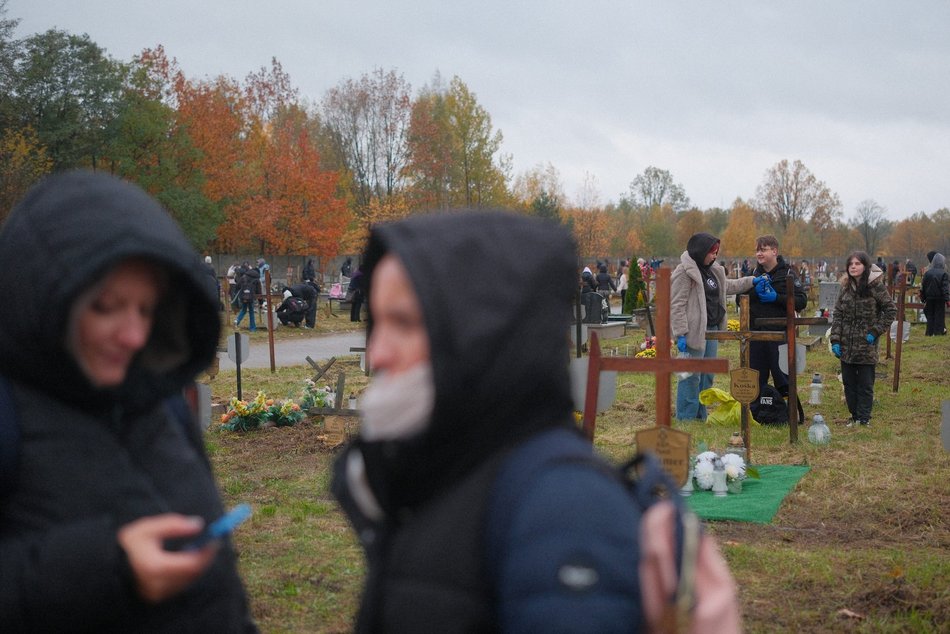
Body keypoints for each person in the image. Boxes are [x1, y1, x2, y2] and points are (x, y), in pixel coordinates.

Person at [331, 211, 645, 631]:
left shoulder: (565, 509)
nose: (377, 354)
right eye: (378, 322)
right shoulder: (446, 458)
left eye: (403, 323)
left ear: (481, 333)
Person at [0, 171, 256, 631]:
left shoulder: (161, 398)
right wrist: (109, 568)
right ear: (44, 297)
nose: (135, 335)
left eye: (145, 308)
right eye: (106, 307)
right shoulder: (10, 412)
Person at [671, 233, 758, 421]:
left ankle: (700, 414)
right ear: (700, 251)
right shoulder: (684, 272)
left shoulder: (713, 271)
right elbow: (676, 305)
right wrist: (680, 334)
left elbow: (728, 286)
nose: (714, 256)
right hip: (694, 332)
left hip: (712, 328)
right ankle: (686, 417)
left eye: (716, 253)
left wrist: (752, 281)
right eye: (712, 253)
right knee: (690, 376)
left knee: (707, 376)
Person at [829, 252, 897, 426]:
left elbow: (890, 310)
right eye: (850, 263)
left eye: (857, 263)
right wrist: (835, 340)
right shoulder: (845, 287)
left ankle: (864, 418)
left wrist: (875, 331)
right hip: (846, 345)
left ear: (865, 266)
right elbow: (838, 314)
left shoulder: (875, 287)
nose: (853, 266)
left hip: (866, 345)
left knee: (865, 384)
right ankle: (854, 416)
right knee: (849, 384)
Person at [742, 235, 808, 398]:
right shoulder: (753, 274)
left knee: (784, 378)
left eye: (763, 250)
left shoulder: (788, 274)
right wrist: (754, 292)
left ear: (774, 251)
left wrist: (777, 298)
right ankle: (756, 412)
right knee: (756, 379)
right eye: (757, 250)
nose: (759, 254)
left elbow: (801, 301)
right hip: (756, 334)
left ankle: (787, 412)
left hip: (780, 335)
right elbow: (739, 300)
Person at [921, 252, 949, 336]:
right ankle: (938, 333)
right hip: (940, 298)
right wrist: (947, 300)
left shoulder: (927, 273)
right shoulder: (944, 273)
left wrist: (923, 298)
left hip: (929, 298)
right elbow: (945, 288)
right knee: (939, 315)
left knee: (930, 316)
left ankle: (929, 333)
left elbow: (924, 286)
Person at [234, 261, 259, 332]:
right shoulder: (256, 277)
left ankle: (237, 320)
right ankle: (252, 328)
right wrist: (261, 301)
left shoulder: (243, 277)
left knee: (244, 310)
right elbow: (259, 289)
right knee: (251, 312)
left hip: (244, 296)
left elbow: (237, 286)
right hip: (251, 296)